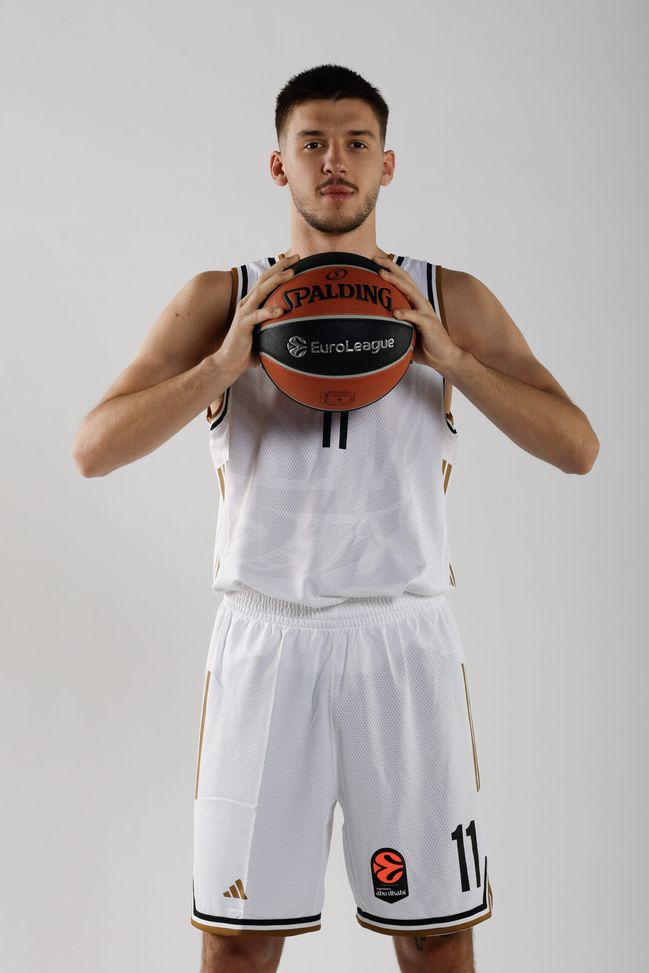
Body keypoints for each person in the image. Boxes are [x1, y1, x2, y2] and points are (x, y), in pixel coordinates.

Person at [71, 64, 600, 973]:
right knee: (238, 942)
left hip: (403, 638)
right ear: (278, 164)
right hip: (265, 639)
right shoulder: (221, 297)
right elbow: (93, 448)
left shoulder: (449, 296)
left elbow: (576, 447)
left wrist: (454, 361)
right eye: (311, 143)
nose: (334, 162)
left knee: (434, 935)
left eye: (356, 143)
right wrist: (220, 368)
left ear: (386, 164)